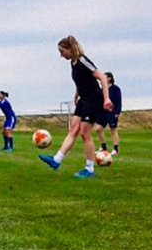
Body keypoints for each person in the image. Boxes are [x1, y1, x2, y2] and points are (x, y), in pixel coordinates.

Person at [39, 36, 113, 178]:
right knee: (73, 129)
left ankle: (90, 169)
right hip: (83, 100)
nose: (62, 56)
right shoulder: (72, 63)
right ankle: (56, 160)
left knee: (85, 133)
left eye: (62, 52)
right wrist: (76, 95)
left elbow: (102, 77)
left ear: (70, 49)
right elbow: (82, 81)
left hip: (93, 99)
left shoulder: (83, 60)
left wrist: (107, 98)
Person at [95, 72, 122, 155]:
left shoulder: (116, 89)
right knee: (98, 129)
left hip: (112, 112)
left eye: (105, 77)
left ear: (110, 78)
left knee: (113, 130)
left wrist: (117, 112)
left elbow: (118, 101)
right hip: (103, 112)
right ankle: (103, 147)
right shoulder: (102, 89)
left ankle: (116, 149)